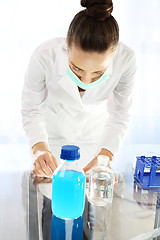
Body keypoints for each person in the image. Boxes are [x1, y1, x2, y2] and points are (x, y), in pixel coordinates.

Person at [21, 0, 136, 178]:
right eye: (77, 69)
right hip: (50, 147)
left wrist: (105, 155)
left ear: (114, 55)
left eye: (98, 73)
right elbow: (31, 108)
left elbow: (120, 115)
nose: (86, 80)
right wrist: (39, 148)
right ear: (67, 45)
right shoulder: (44, 56)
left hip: (95, 145)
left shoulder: (126, 61)